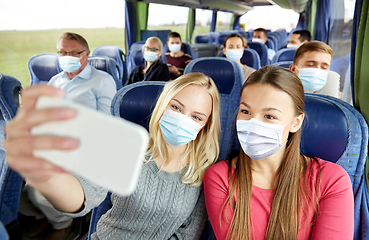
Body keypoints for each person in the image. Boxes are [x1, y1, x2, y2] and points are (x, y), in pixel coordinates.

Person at [5, 72, 221, 240]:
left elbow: (187, 234)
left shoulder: (205, 170)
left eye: (196, 116)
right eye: (176, 107)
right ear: (163, 105)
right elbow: (82, 194)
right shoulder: (127, 146)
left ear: (205, 125)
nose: (183, 119)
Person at [203, 66, 354, 240]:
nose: (253, 123)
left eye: (269, 116)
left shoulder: (331, 180)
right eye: (246, 112)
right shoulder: (220, 177)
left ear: (295, 123)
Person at [19, 32, 117, 240]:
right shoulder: (55, 81)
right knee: (17, 180)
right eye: (63, 52)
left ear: (87, 54)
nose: (68, 57)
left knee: (39, 192)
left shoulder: (102, 81)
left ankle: (62, 223)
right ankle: (46, 215)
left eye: (75, 53)